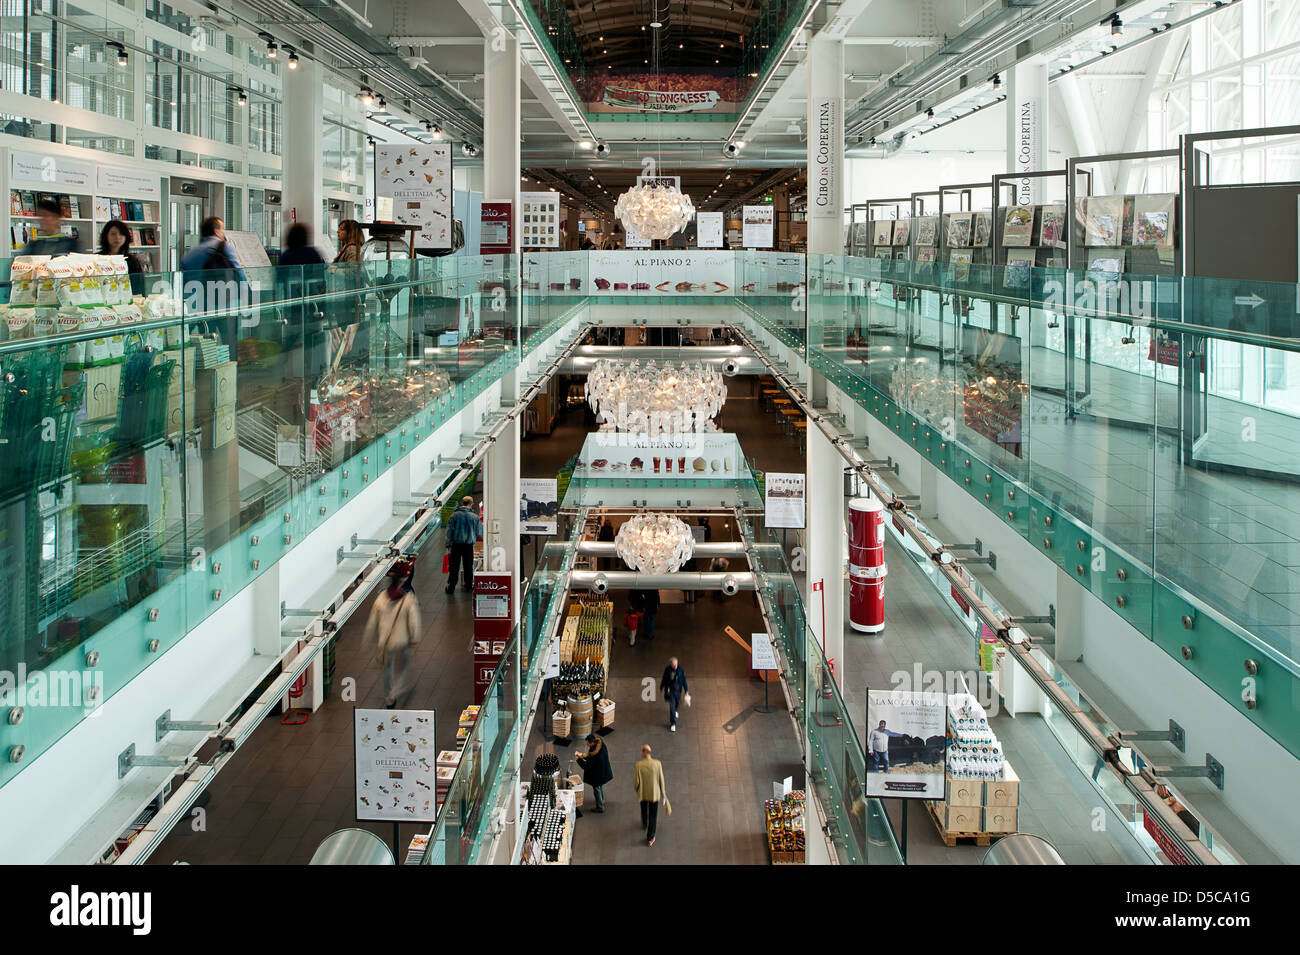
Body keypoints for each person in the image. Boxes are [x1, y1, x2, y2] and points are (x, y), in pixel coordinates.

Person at [364, 558, 422, 707]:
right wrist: (415, 638)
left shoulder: (381, 599)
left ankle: (389, 697)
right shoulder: (408, 599)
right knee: (405, 666)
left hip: (386, 641)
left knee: (387, 670)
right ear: (402, 581)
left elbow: (372, 622)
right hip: (403, 640)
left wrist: (368, 640)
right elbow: (414, 621)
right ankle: (398, 689)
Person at [444, 495, 483, 594]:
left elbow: (449, 532)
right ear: (471, 504)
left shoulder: (454, 516)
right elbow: (480, 533)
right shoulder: (474, 517)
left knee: (454, 566)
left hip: (456, 545)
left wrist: (448, 544)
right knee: (468, 566)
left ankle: (451, 587)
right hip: (468, 546)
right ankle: (469, 586)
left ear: (462, 503)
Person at [632, 744, 668, 847]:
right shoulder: (657, 764)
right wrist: (663, 793)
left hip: (643, 793)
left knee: (644, 809)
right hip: (654, 794)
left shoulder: (638, 765)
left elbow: (636, 782)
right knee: (653, 815)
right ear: (650, 752)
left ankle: (644, 823)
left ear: (643, 753)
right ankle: (650, 837)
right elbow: (661, 780)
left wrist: (638, 790)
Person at [99, 219, 145, 294]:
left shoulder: (132, 261)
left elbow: (138, 288)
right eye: (113, 234)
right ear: (106, 236)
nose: (117, 237)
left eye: (121, 234)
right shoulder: (97, 258)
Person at [575, 734, 613, 813]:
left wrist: (578, 759)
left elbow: (587, 766)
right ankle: (602, 800)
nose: (587, 745)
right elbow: (590, 756)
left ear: (592, 743)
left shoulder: (594, 755)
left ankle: (600, 807)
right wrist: (584, 756)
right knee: (600, 786)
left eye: (588, 743)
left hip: (597, 774)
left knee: (596, 789)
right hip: (603, 771)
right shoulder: (601, 745)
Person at [660, 657, 690, 732]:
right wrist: (662, 687)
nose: (675, 666)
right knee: (672, 707)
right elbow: (664, 679)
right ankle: (673, 723)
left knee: (677, 703)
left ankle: (675, 711)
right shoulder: (667, 670)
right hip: (671, 691)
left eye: (676, 664)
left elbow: (683, 680)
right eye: (674, 665)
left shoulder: (680, 670)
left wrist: (686, 690)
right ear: (671, 665)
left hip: (678, 691)